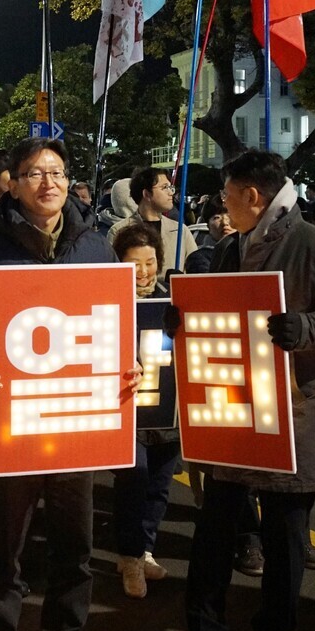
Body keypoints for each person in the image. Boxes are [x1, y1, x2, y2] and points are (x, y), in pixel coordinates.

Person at [0, 137, 140, 631]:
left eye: (57, 172)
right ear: (12, 185)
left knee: (75, 548)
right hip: (9, 427)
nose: (48, 182)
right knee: (3, 551)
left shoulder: (95, 247)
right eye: (35, 173)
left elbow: (114, 323)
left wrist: (127, 360)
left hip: (76, 426)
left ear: (68, 180)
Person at [184, 151, 315, 631]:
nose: (220, 206)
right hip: (233, 406)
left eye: (226, 196)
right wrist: (184, 321)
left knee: (286, 535)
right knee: (216, 527)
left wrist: (303, 327)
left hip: (293, 412)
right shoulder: (230, 247)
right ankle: (207, 627)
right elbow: (217, 310)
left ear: (252, 196)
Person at [110, 223, 180, 600]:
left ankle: (145, 547)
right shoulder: (107, 305)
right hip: (127, 413)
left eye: (150, 262)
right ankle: (131, 555)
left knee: (159, 486)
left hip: (167, 414)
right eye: (134, 264)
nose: (144, 272)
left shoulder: (174, 303)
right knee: (132, 482)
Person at [107, 167, 198, 275]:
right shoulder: (119, 231)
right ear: (147, 194)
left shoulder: (180, 230)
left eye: (170, 187)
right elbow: (113, 273)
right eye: (164, 187)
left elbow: (196, 266)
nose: (171, 193)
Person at [184, 196, 233, 274]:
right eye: (217, 218)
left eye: (230, 216)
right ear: (208, 226)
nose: (224, 223)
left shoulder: (248, 252)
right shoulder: (199, 258)